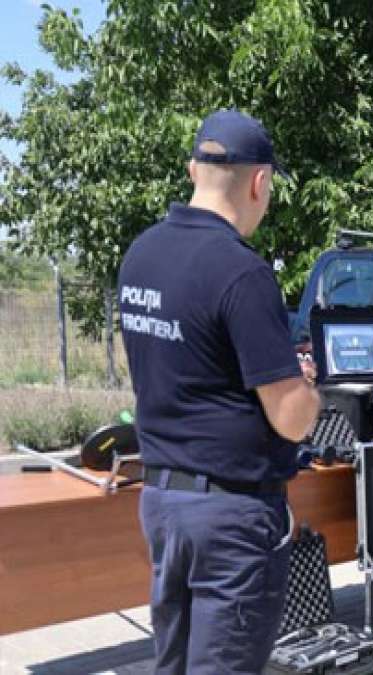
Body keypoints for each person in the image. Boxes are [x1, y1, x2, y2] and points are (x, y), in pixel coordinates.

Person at [118, 109, 321, 674]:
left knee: (175, 664)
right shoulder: (241, 272)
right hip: (229, 519)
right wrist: (308, 388)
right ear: (260, 182)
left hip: (162, 504)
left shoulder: (140, 257)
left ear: (193, 171)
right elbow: (292, 420)